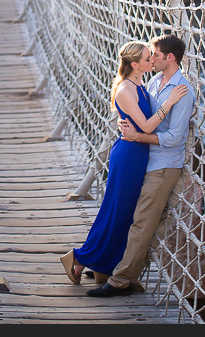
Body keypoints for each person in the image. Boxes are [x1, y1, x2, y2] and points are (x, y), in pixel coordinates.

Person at [60, 40, 188, 285]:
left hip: (140, 154)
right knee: (116, 211)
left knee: (126, 214)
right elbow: (147, 126)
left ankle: (104, 265)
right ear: (135, 64)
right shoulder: (125, 90)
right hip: (128, 155)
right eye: (148, 58)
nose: (152, 61)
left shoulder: (143, 83)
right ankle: (79, 257)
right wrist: (170, 102)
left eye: (153, 56)